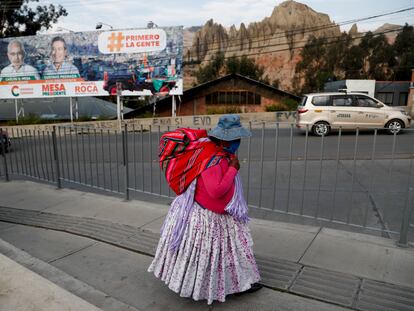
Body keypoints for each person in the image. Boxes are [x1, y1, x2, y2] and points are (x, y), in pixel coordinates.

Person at [149, 114, 262, 304]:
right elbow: (216, 190)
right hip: (207, 217)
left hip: (218, 214)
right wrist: (233, 168)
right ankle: (223, 285)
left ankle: (236, 283)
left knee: (224, 254)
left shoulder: (214, 151)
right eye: (236, 138)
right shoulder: (213, 159)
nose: (238, 142)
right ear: (225, 139)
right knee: (215, 255)